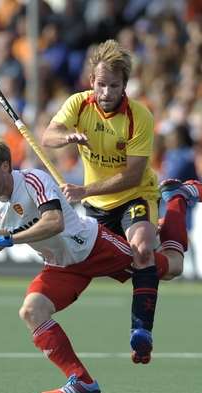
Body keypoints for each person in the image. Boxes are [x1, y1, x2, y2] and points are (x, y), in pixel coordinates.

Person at [0, 136, 200, 393]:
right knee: (32, 311)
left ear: (6, 166)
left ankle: (175, 198)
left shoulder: (32, 180)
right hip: (61, 266)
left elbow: (54, 223)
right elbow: (19, 228)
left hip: (93, 246)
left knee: (173, 267)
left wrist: (8, 239)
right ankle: (82, 382)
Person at [40, 39, 202, 363]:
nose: (105, 92)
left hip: (133, 196)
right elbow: (48, 135)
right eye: (101, 84)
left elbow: (132, 175)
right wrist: (67, 138)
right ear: (91, 82)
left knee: (141, 249)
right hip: (97, 208)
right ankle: (176, 200)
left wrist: (84, 191)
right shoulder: (79, 104)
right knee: (166, 268)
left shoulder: (139, 116)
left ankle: (141, 331)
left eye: (114, 85)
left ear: (125, 85)